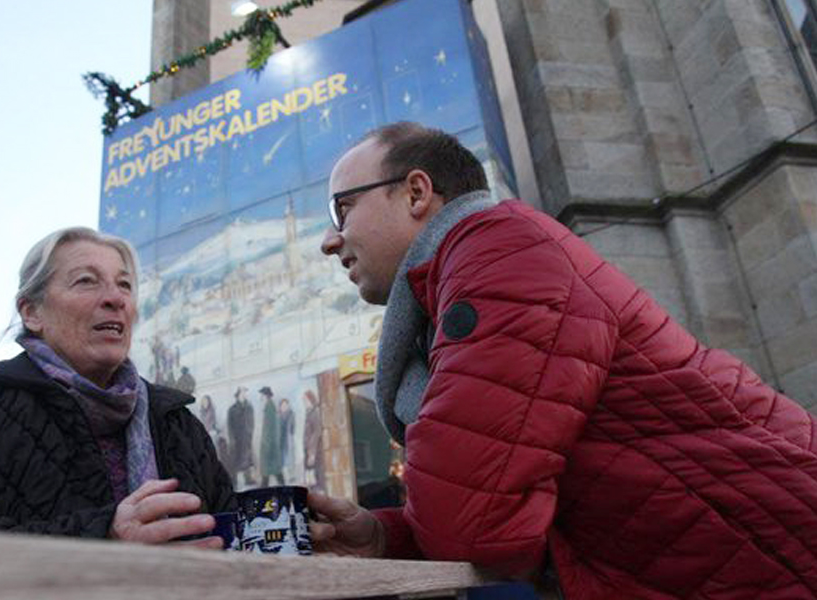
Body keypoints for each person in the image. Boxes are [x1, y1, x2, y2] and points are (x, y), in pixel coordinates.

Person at [312, 122, 817, 599]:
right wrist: (384, 537)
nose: (329, 242)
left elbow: (467, 519)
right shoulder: (471, 272)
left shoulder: (498, 253)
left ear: (417, 193)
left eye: (342, 210)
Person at [0, 227, 234, 545]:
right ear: (32, 312)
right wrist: (103, 538)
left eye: (124, 284)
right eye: (86, 281)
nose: (116, 298)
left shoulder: (177, 424)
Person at [228, 386, 256, 487]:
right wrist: (232, 439)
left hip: (246, 437)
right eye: (243, 392)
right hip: (236, 438)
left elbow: (252, 422)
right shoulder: (232, 409)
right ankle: (234, 481)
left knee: (247, 459)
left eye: (245, 392)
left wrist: (250, 433)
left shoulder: (249, 407)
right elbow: (230, 426)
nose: (244, 394)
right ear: (238, 394)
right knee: (235, 460)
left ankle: (248, 479)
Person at [258, 386, 284, 487]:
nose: (260, 398)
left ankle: (264, 488)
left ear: (266, 396)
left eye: (262, 395)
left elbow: (270, 429)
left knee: (269, 470)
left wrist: (267, 445)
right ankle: (266, 487)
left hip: (269, 445)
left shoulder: (269, 407)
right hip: (270, 444)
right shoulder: (269, 406)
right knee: (272, 470)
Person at [302, 389, 325, 492]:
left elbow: (316, 433)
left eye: (305, 400)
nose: (304, 402)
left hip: (314, 449)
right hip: (309, 449)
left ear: (310, 400)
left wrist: (312, 452)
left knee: (317, 471)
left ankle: (319, 489)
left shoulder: (314, 413)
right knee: (310, 470)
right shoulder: (309, 413)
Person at [278, 397, 295, 482]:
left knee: (289, 458)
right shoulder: (278, 416)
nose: (284, 407)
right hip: (280, 440)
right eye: (282, 405)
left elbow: (292, 428)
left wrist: (290, 436)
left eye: (285, 405)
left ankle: (291, 476)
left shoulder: (291, 414)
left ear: (288, 406)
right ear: (280, 406)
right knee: (282, 460)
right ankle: (286, 477)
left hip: (288, 439)